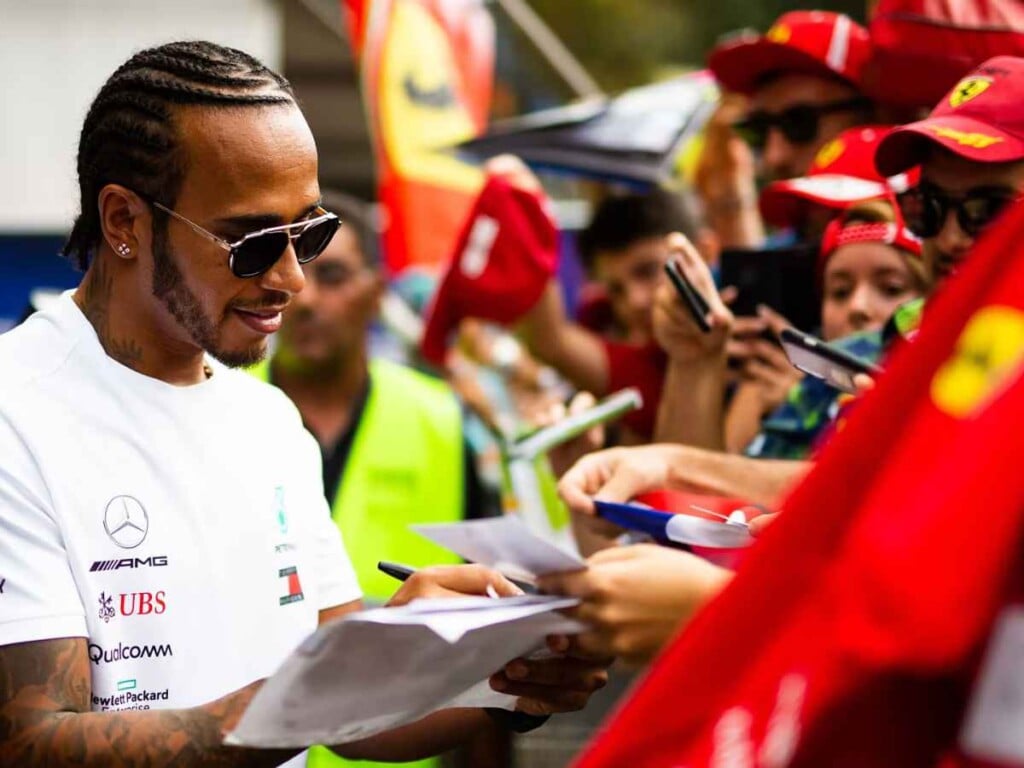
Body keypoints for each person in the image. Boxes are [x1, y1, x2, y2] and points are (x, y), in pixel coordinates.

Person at [0, 41, 608, 768]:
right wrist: (330, 683)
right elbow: (33, 741)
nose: (292, 277)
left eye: (310, 233)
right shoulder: (18, 411)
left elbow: (350, 722)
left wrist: (507, 682)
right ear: (124, 221)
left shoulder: (266, 420)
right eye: (252, 242)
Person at [547, 55, 1024, 665]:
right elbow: (857, 491)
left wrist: (720, 606)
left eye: (988, 211)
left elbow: (954, 592)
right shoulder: (945, 358)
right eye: (929, 209)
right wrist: (667, 462)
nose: (953, 236)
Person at [700, 10, 874, 247]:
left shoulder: (932, 251)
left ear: (872, 115)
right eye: (758, 130)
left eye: (800, 123)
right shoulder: (786, 248)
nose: (774, 157)